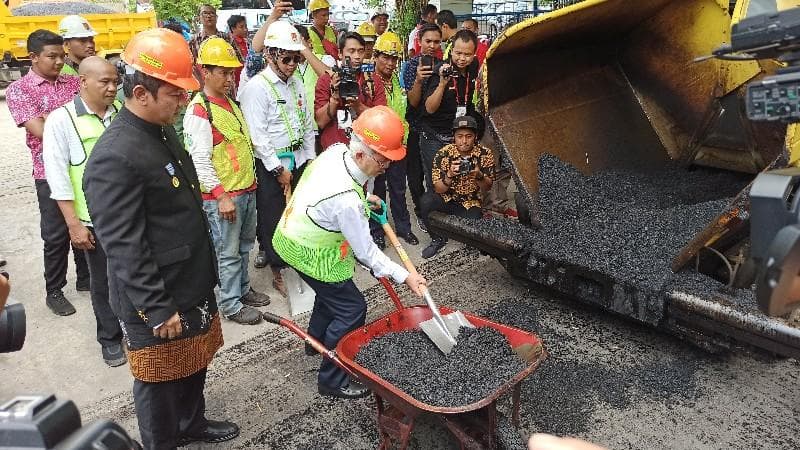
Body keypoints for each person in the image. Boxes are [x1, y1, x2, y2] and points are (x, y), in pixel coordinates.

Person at [83, 28, 239, 448]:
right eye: (176, 93)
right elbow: (123, 246)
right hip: (157, 297)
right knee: (158, 382)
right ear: (141, 92)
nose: (185, 100)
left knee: (193, 362)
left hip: (188, 280)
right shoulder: (115, 157)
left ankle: (192, 423)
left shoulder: (162, 129)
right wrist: (156, 306)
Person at [272, 106, 427, 399]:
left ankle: (314, 340)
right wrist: (406, 276)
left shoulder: (335, 152)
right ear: (361, 154)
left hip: (290, 233)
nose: (387, 166)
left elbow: (327, 187)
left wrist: (364, 196)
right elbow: (367, 253)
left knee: (333, 296)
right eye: (383, 159)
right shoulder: (346, 202)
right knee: (352, 308)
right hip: (310, 251)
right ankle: (332, 380)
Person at [41, 56, 126, 366]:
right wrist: (74, 225)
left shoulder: (119, 113)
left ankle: (132, 328)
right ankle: (110, 338)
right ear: (83, 82)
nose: (112, 87)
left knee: (131, 276)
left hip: (127, 214)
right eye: (104, 81)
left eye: (115, 82)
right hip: (95, 219)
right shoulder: (61, 121)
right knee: (103, 283)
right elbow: (59, 178)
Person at [184, 37, 270, 325]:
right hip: (225, 197)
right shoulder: (200, 111)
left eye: (231, 72)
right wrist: (221, 196)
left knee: (244, 247)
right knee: (228, 253)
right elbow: (200, 159)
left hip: (245, 189)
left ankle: (243, 290)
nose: (230, 78)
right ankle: (231, 304)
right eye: (223, 72)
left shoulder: (230, 104)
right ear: (204, 72)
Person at [6, 29, 88, 317]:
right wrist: (65, 122)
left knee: (83, 223)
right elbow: (40, 131)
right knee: (55, 235)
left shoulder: (73, 82)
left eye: (61, 56)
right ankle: (54, 290)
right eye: (51, 56)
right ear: (33, 57)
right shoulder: (20, 90)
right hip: (47, 172)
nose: (58, 62)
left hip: (80, 166)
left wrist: (52, 119)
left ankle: (86, 278)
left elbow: (88, 117)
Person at [240, 21, 316, 298]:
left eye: (296, 58)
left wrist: (310, 161)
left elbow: (307, 125)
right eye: (286, 58)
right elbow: (258, 137)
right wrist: (277, 169)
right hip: (272, 164)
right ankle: (278, 270)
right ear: (270, 54)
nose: (292, 64)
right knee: (273, 218)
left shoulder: (296, 84)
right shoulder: (257, 88)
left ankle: (297, 261)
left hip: (298, 159)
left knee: (297, 217)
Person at [369, 32, 418, 249]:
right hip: (377, 149)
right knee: (377, 191)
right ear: (376, 56)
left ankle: (403, 228)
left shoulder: (396, 84)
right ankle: (377, 231)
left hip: (398, 146)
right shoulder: (369, 83)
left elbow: (402, 115)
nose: (390, 63)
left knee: (398, 188)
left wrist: (404, 141)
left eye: (394, 58)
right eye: (385, 57)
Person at [421, 115, 493, 258]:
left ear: (475, 137)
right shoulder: (444, 154)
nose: (464, 141)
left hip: (470, 201)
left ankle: (469, 232)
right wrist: (449, 175)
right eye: (460, 136)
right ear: (454, 136)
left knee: (475, 232)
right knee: (426, 201)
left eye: (468, 136)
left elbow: (488, 187)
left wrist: (479, 175)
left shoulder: (485, 153)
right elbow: (438, 189)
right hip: (447, 198)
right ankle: (437, 238)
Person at [419, 29, 479, 190]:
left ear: (474, 54)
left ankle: (453, 214)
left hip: (458, 137)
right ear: (451, 50)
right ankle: (431, 214)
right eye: (458, 53)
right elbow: (429, 109)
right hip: (434, 136)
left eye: (467, 54)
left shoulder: (473, 66)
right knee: (437, 183)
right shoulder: (442, 71)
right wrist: (442, 84)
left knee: (457, 181)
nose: (461, 58)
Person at [402, 22, 442, 231]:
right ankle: (421, 211)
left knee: (435, 175)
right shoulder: (411, 66)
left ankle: (437, 213)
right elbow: (413, 102)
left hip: (436, 131)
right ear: (419, 42)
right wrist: (418, 79)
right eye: (428, 41)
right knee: (415, 175)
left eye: (436, 41)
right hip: (415, 128)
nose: (432, 45)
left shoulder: (444, 66)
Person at [314, 32, 386, 149]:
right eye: (351, 51)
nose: (357, 56)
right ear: (340, 53)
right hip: (335, 151)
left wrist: (359, 107)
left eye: (360, 51)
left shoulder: (373, 80)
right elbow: (321, 122)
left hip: (365, 149)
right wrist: (334, 98)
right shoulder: (327, 80)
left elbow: (381, 120)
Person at [189, 4, 243, 91]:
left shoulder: (227, 38)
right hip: (205, 89)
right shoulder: (194, 41)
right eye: (205, 13)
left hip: (227, 88)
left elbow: (239, 60)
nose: (209, 16)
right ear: (199, 18)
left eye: (211, 13)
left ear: (217, 17)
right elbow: (191, 66)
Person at [227, 14, 249, 91]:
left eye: (245, 26)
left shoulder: (246, 42)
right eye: (241, 27)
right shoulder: (229, 43)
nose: (245, 29)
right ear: (233, 28)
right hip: (235, 81)